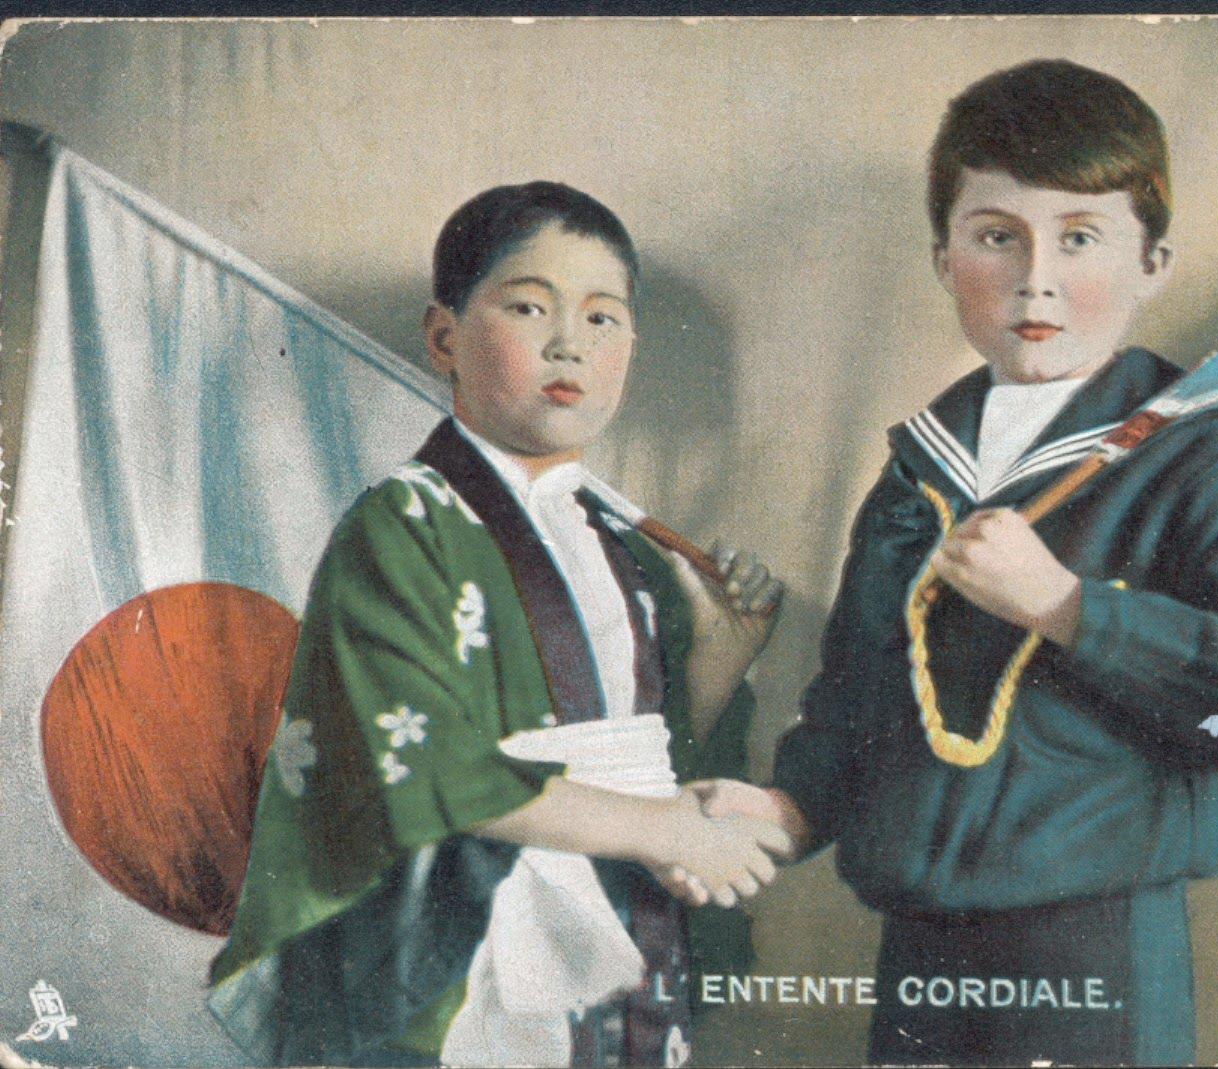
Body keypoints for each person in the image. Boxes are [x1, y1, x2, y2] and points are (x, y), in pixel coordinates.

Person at [699, 59, 1218, 1066]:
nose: (1034, 277)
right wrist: (787, 807)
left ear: (1152, 263)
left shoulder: (1197, 457)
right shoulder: (917, 470)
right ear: (945, 259)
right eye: (996, 236)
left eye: (1079, 238)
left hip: (1090, 946)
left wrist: (1071, 608)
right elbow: (858, 694)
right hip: (919, 945)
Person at [208, 182, 790, 1068]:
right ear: (444, 335)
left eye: (603, 319)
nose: (569, 343)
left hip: (621, 915)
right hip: (462, 936)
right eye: (528, 306)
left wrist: (718, 655)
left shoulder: (629, 551)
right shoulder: (402, 522)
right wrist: (665, 828)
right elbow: (426, 764)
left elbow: (650, 756)